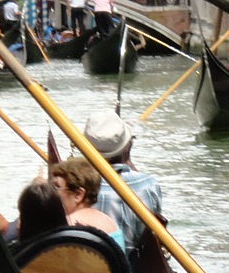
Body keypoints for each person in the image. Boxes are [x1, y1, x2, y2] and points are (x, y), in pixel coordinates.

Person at [83, 109, 164, 256]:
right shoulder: (149, 185)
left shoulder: (77, 189)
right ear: (126, 146)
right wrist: (126, 155)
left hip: (94, 271)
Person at [49, 157, 124, 250]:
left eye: (56, 187)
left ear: (78, 195)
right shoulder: (112, 224)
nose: (51, 192)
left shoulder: (66, 225)